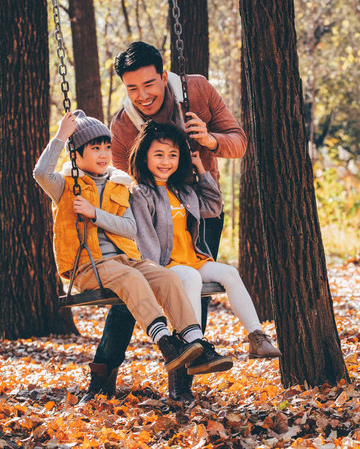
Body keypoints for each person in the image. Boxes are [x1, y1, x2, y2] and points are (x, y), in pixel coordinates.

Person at [33, 110, 232, 403]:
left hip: (124, 259)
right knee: (132, 278)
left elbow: (129, 228)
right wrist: (62, 136)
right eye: (95, 148)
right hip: (88, 265)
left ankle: (191, 341)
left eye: (107, 147)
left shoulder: (118, 184)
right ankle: (165, 342)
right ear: (75, 155)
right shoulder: (64, 184)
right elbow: (40, 173)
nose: (103, 154)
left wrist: (95, 214)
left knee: (164, 276)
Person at [91, 41, 248, 403]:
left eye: (149, 84)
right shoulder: (123, 125)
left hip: (199, 211)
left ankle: (183, 384)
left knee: (194, 290)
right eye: (132, 88)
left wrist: (209, 139)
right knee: (129, 291)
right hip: (147, 219)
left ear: (164, 76)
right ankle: (101, 379)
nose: (142, 95)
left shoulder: (197, 90)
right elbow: (116, 181)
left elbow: (239, 142)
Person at [129, 121, 282, 367]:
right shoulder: (141, 193)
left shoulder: (183, 190)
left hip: (193, 258)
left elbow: (213, 207)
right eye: (158, 155)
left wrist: (202, 171)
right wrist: (155, 273)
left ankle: (257, 337)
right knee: (191, 277)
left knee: (229, 273)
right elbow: (144, 237)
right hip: (164, 266)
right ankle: (194, 344)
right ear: (144, 157)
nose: (165, 161)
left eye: (172, 155)